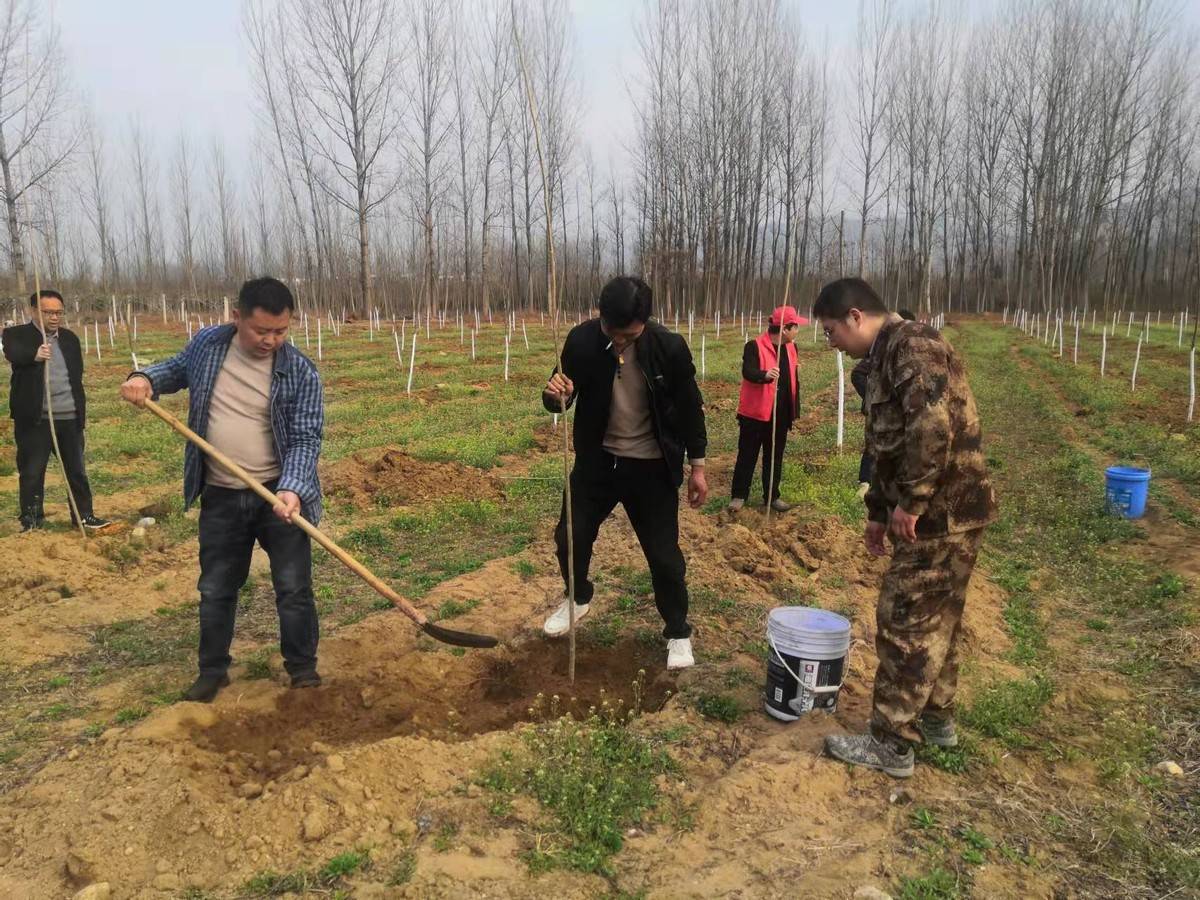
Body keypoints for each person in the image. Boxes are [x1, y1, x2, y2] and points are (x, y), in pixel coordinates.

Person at [814, 278, 997, 778]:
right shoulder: (881, 358)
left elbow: (932, 429)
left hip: (941, 515)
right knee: (939, 618)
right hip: (935, 513)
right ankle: (936, 718)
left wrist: (912, 505)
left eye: (830, 331)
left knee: (906, 619)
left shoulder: (913, 347)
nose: (829, 342)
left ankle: (893, 741)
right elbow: (883, 445)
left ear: (855, 316)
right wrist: (877, 511)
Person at [119, 277, 324, 703]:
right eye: (262, 330)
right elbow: (175, 370)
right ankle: (212, 671)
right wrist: (144, 378)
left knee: (293, 587)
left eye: (281, 331)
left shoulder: (299, 371)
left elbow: (306, 438)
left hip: (278, 495)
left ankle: (303, 670)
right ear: (237, 318)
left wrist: (293, 489)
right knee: (216, 588)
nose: (271, 340)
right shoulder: (209, 345)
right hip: (221, 495)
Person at [541, 276, 708, 670]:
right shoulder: (581, 341)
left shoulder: (669, 348)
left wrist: (698, 466)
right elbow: (558, 399)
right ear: (601, 318)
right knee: (570, 536)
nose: (618, 343)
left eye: (628, 337)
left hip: (651, 467)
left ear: (644, 324)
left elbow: (689, 408)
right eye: (611, 334)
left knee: (664, 558)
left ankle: (678, 632)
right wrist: (554, 395)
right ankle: (578, 596)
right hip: (598, 464)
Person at [3, 290, 109, 532]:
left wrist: (79, 412)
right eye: (48, 312)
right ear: (33, 311)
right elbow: (13, 354)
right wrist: (35, 355)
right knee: (32, 472)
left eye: (58, 312)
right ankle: (31, 521)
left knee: (77, 471)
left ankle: (83, 516)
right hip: (35, 420)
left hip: (69, 418)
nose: (54, 317)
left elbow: (76, 376)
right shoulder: (15, 334)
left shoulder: (70, 339)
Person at [730, 305, 807, 512]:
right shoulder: (753, 346)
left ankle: (772, 496)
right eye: (796, 326)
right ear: (784, 329)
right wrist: (764, 375)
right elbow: (748, 371)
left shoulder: (792, 347)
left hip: (780, 415)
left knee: (775, 456)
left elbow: (794, 381)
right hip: (755, 414)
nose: (798, 330)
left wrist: (794, 409)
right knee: (747, 455)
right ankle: (738, 496)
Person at [850, 308, 915, 498]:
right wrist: (871, 397)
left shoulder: (908, 350)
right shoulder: (881, 349)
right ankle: (865, 482)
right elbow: (857, 374)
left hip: (897, 411)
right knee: (872, 445)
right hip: (878, 410)